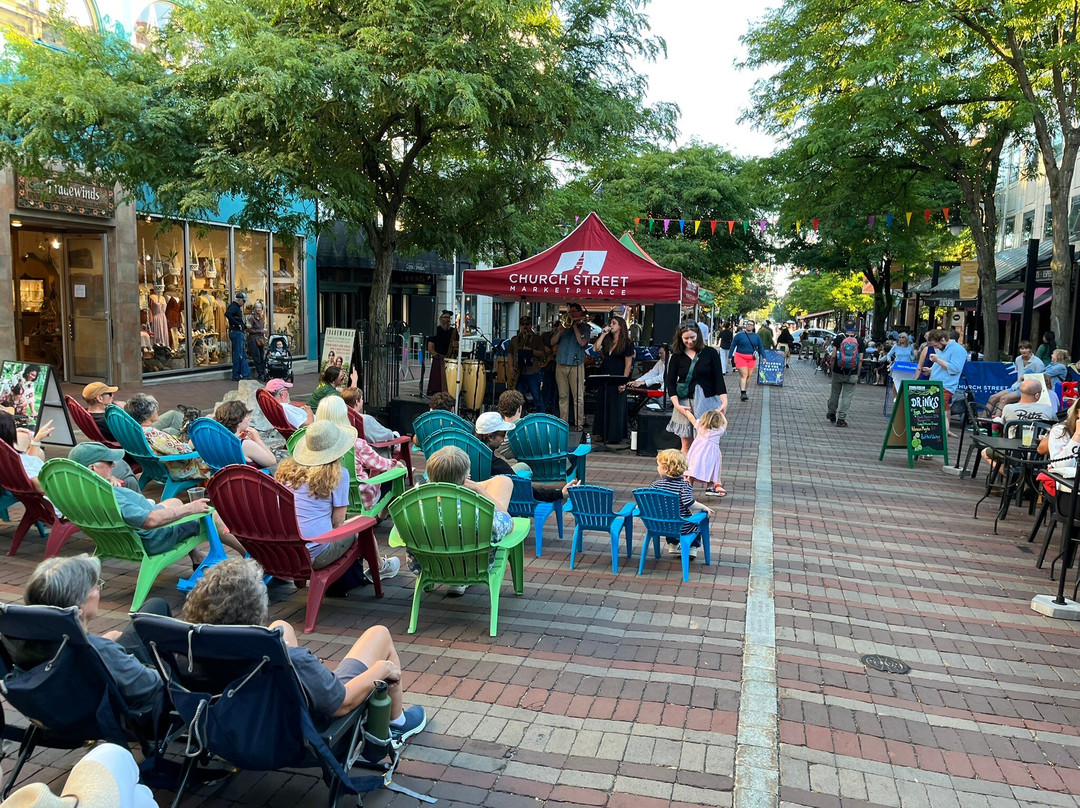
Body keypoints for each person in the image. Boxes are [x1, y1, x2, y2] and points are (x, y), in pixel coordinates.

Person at [181, 558, 426, 738]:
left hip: (237, 712)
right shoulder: (295, 661)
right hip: (302, 724)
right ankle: (397, 723)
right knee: (379, 634)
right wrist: (382, 669)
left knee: (280, 626)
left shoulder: (189, 649)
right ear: (254, 611)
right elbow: (343, 704)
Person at [21, 554, 164, 710]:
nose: (98, 590)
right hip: (124, 703)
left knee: (155, 606)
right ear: (79, 606)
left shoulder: (26, 641)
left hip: (72, 688)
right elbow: (154, 684)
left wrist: (102, 641)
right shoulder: (102, 650)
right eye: (95, 586)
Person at [275, 421, 398, 596]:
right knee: (362, 527)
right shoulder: (338, 475)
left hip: (285, 551)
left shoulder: (287, 473)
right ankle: (379, 569)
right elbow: (338, 523)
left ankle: (372, 569)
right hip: (315, 553)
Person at [67, 441, 243, 564]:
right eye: (109, 462)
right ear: (92, 468)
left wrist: (106, 478)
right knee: (212, 515)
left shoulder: (78, 490)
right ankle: (253, 559)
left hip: (119, 537)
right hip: (151, 536)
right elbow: (150, 521)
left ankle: (196, 558)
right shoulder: (111, 496)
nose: (114, 465)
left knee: (174, 501)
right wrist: (190, 509)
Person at [423, 446, 514, 596]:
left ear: (429, 476)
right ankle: (460, 581)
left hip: (429, 566)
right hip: (472, 567)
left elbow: (400, 534)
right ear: (466, 478)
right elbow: (507, 523)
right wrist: (481, 491)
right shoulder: (476, 513)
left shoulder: (415, 507)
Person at [315, 396, 405, 515]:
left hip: (323, 497)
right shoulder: (355, 444)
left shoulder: (312, 446)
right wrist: (397, 463)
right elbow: (381, 464)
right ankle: (383, 517)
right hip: (358, 499)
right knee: (398, 473)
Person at [666, 324, 727, 454]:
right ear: (680, 338)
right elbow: (670, 382)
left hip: (706, 400)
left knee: (706, 442)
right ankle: (686, 472)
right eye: (686, 338)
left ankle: (703, 472)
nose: (689, 341)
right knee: (686, 444)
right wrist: (676, 405)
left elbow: (718, 378)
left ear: (698, 335)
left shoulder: (710, 352)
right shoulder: (677, 355)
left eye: (692, 337)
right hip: (684, 403)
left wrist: (724, 402)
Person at [125, 393, 210, 480]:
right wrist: (193, 441)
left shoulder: (136, 431)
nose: (157, 410)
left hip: (154, 468)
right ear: (145, 415)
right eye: (155, 408)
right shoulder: (153, 434)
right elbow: (184, 450)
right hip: (178, 469)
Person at [651, 449, 711, 559]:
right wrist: (704, 507)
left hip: (660, 525)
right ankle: (692, 548)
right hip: (682, 525)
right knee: (696, 524)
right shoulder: (685, 485)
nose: (657, 468)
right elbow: (689, 503)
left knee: (669, 519)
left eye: (658, 465)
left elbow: (651, 502)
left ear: (665, 468)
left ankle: (673, 544)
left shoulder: (656, 485)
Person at [591, 315, 636, 445]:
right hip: (605, 374)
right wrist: (603, 334)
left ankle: (613, 435)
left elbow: (628, 364)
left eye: (614, 323)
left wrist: (624, 381)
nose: (611, 325)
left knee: (615, 406)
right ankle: (601, 433)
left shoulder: (627, 343)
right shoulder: (607, 340)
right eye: (610, 323)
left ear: (620, 326)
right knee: (603, 403)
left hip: (618, 375)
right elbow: (595, 348)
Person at [552, 303, 590, 430]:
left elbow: (582, 342)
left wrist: (574, 326)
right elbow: (552, 342)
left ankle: (579, 425)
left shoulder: (585, 327)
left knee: (577, 396)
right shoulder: (563, 326)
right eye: (570, 311)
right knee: (563, 396)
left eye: (574, 311)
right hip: (561, 363)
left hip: (576, 365)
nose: (571, 314)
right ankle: (563, 424)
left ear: (580, 313)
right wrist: (559, 331)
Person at [986, 341, 1047, 416]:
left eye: (1026, 348)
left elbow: (1041, 378)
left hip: (1028, 389)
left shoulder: (1038, 363)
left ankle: (996, 422)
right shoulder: (1018, 359)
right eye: (1022, 348)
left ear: (1030, 350)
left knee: (1004, 398)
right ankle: (982, 421)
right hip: (1016, 386)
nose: (1024, 351)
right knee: (993, 397)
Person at [214, 400, 277, 470]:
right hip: (253, 479)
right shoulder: (245, 445)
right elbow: (272, 462)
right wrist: (257, 439)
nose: (248, 418)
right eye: (245, 416)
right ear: (238, 421)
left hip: (226, 478)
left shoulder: (217, 441)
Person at [826, 323, 865, 428]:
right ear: (855, 329)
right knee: (847, 396)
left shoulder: (839, 338)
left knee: (835, 393)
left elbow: (834, 356)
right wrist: (857, 373)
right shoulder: (860, 340)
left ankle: (831, 413)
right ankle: (841, 419)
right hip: (852, 372)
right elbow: (860, 359)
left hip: (838, 371)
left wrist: (832, 369)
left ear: (845, 328)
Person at [686, 409, 728, 498]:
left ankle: (688, 485)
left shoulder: (700, 427)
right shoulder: (719, 431)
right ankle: (709, 487)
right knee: (711, 470)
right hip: (712, 455)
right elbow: (725, 423)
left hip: (697, 454)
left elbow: (691, 418)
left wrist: (686, 411)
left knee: (694, 469)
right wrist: (721, 414)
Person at [508, 315, 546, 413]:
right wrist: (511, 367)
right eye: (523, 324)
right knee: (519, 398)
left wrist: (531, 351)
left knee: (537, 396)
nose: (525, 326)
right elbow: (510, 354)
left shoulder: (537, 338)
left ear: (531, 325)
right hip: (519, 372)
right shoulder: (515, 339)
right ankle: (519, 417)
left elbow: (542, 353)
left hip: (532, 372)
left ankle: (540, 416)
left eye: (527, 324)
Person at [925, 328, 967, 413]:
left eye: (936, 345)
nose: (935, 348)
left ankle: (943, 426)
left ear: (943, 340)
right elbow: (941, 366)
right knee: (943, 412)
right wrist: (930, 370)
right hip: (935, 384)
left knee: (939, 413)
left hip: (945, 386)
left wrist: (937, 360)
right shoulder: (942, 348)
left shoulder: (958, 350)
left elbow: (955, 369)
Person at [729, 320, 765, 402]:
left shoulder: (756, 336)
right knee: (744, 374)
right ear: (745, 326)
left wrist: (764, 356)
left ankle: (744, 390)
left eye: (751, 325)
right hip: (740, 356)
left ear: (753, 327)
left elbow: (761, 347)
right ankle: (743, 392)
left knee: (748, 376)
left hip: (751, 358)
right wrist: (730, 356)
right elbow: (733, 345)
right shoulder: (739, 335)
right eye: (748, 324)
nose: (749, 326)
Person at [426, 311, 458, 396]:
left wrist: (456, 346)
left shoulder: (453, 331)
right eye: (445, 318)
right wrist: (438, 356)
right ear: (440, 319)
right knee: (437, 381)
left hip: (450, 358)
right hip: (439, 358)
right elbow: (430, 347)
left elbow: (457, 345)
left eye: (448, 318)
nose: (447, 320)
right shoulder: (436, 330)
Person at [225, 291, 250, 382]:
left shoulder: (236, 307)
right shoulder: (234, 307)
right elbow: (227, 314)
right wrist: (237, 324)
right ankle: (239, 374)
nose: (244, 303)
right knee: (239, 354)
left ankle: (241, 373)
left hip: (237, 332)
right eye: (243, 301)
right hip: (237, 332)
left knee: (240, 353)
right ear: (239, 300)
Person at [246, 300, 268, 382]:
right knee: (257, 357)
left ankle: (262, 372)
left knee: (262, 356)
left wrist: (263, 332)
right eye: (257, 308)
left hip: (260, 338)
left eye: (260, 308)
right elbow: (249, 330)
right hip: (253, 339)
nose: (259, 309)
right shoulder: (251, 318)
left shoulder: (261, 318)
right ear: (254, 309)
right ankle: (260, 373)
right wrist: (260, 331)